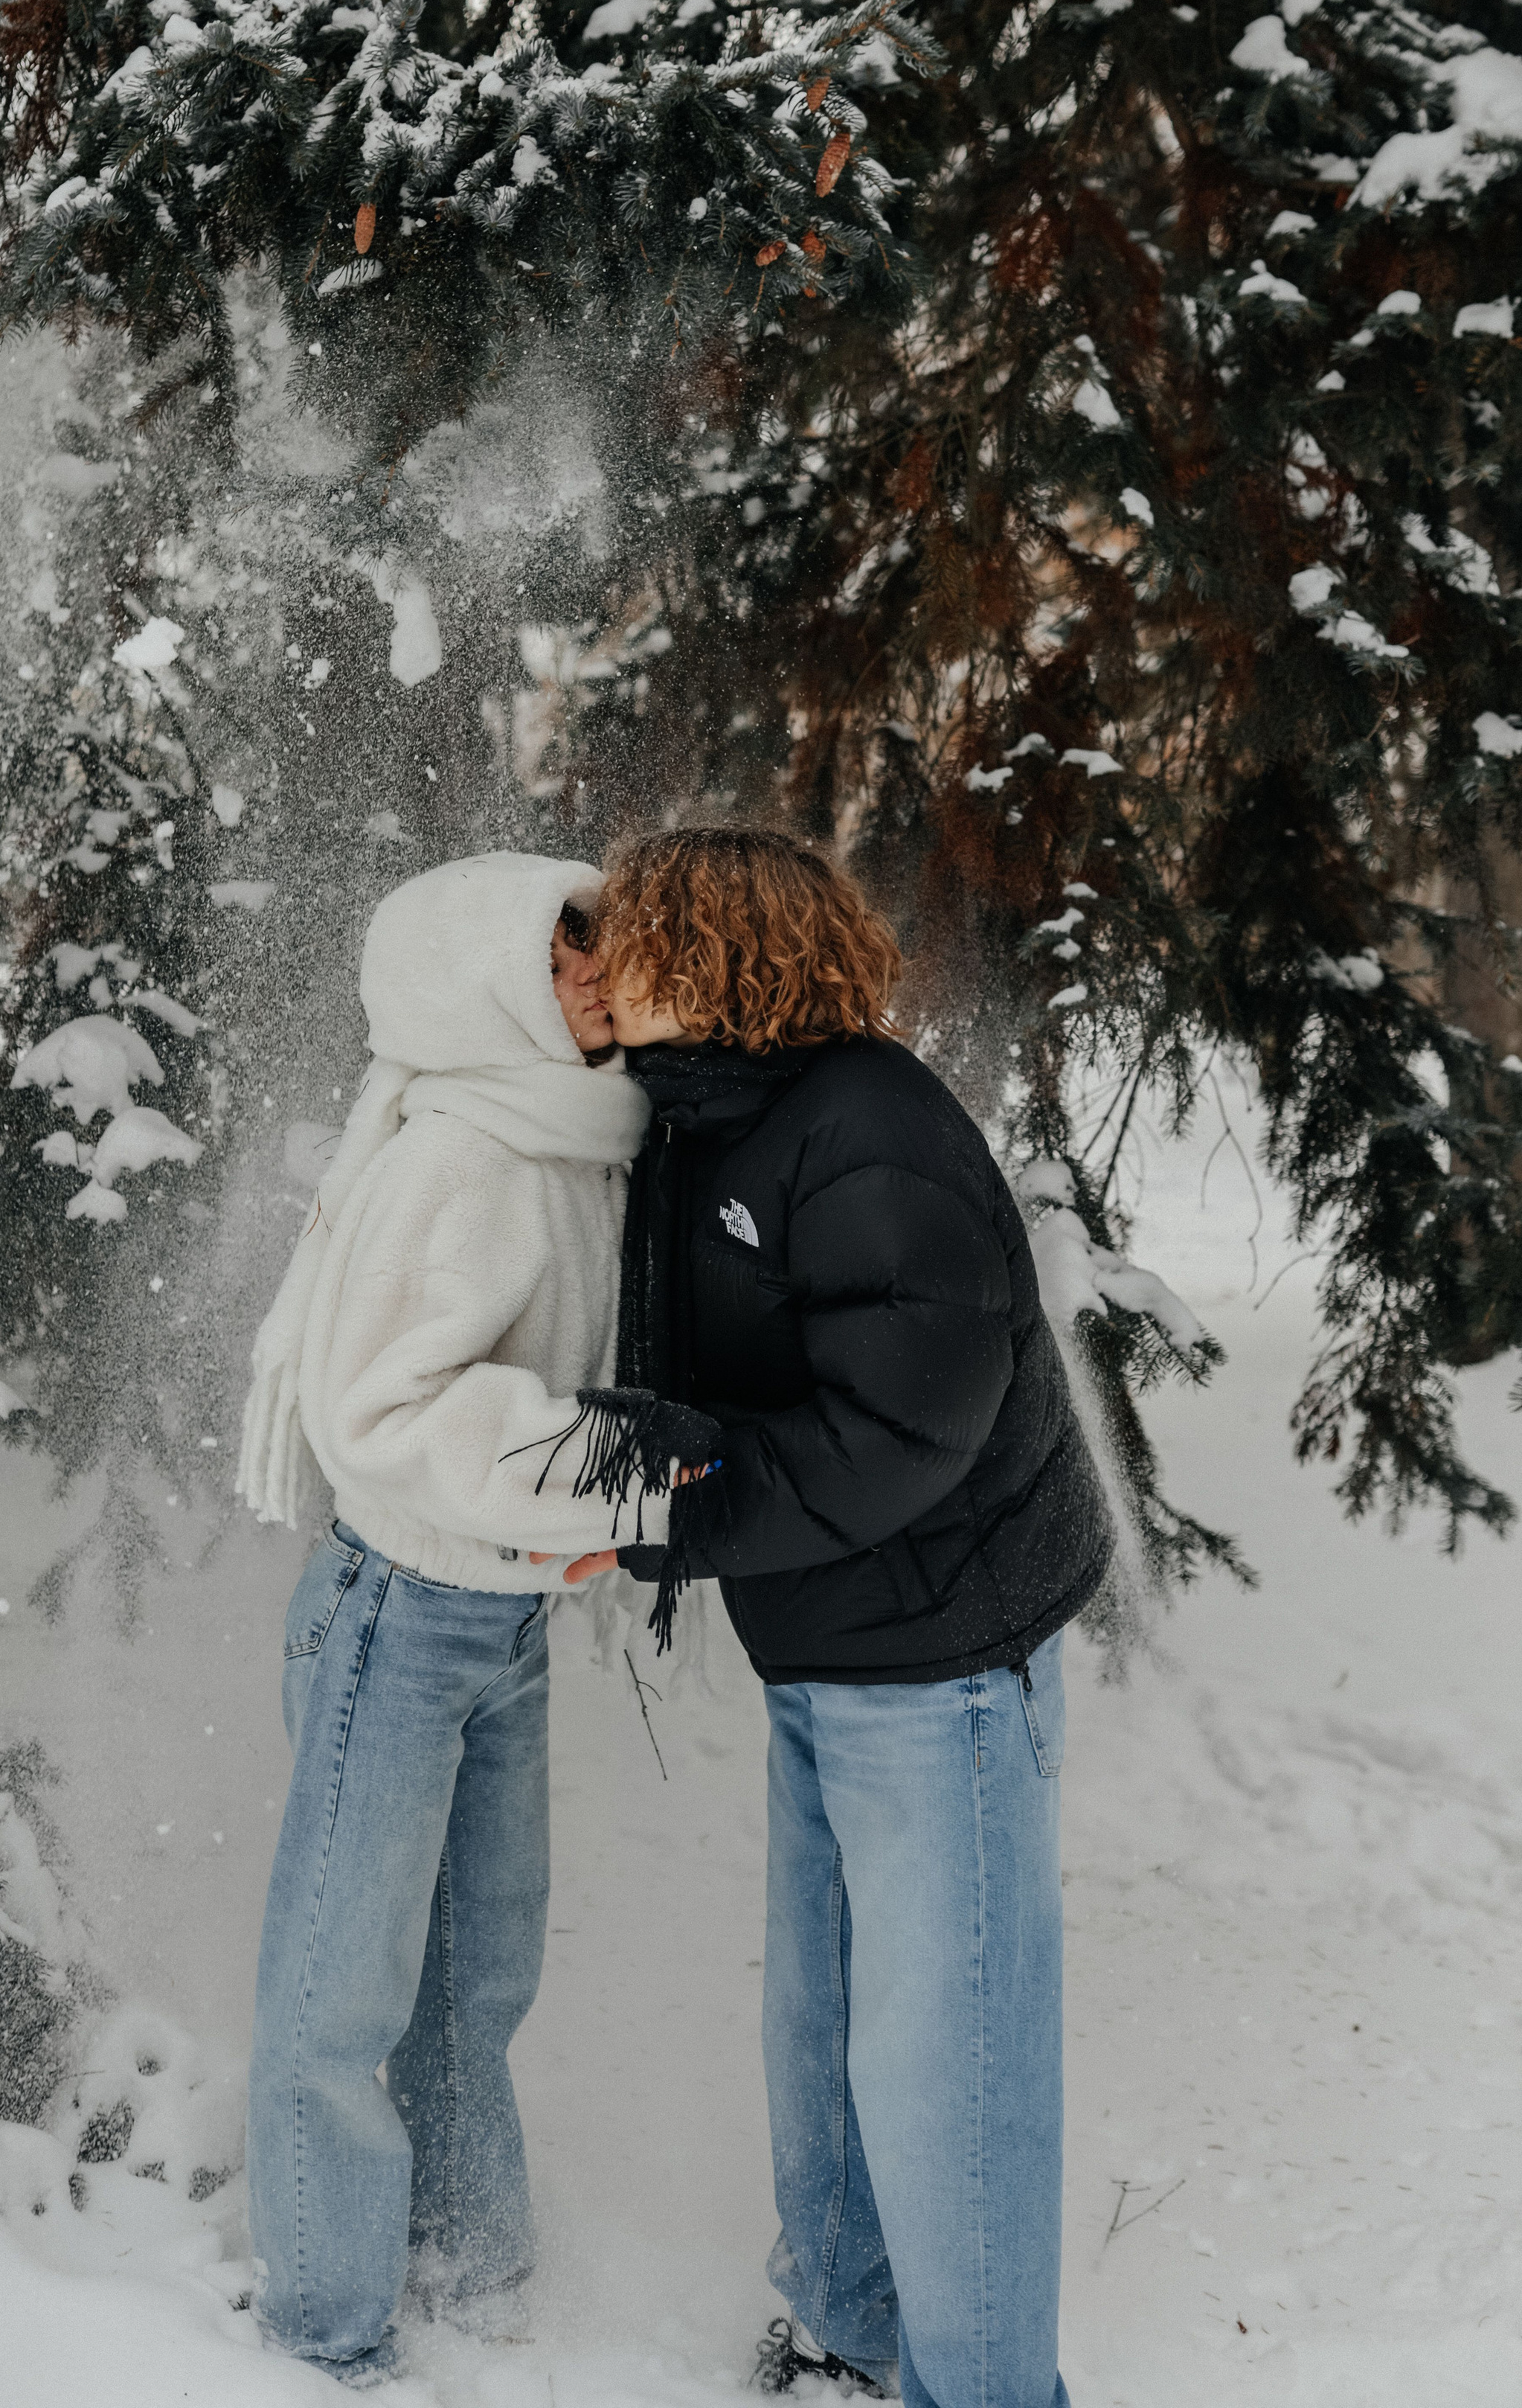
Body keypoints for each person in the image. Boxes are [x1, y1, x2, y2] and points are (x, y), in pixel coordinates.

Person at [579, 826, 1114, 2408]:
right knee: (821, 2024)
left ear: (712, 954)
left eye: (628, 934)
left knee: (950, 2061)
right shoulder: (702, 1118)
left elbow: (903, 1427)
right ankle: (847, 2332)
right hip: (827, 1639)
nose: (599, 964)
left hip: (947, 1654)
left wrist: (671, 1515)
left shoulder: (870, 1128)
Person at [234, 851, 701, 2387]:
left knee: (475, 1976)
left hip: (502, 1613)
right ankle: (326, 2325)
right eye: (560, 952)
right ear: (482, 980)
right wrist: (613, 1461)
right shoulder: (462, 1155)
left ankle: (470, 2264)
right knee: (340, 1989)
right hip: (400, 1611)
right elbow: (379, 1413)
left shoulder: (581, 1131)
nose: (595, 974)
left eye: (597, 943)